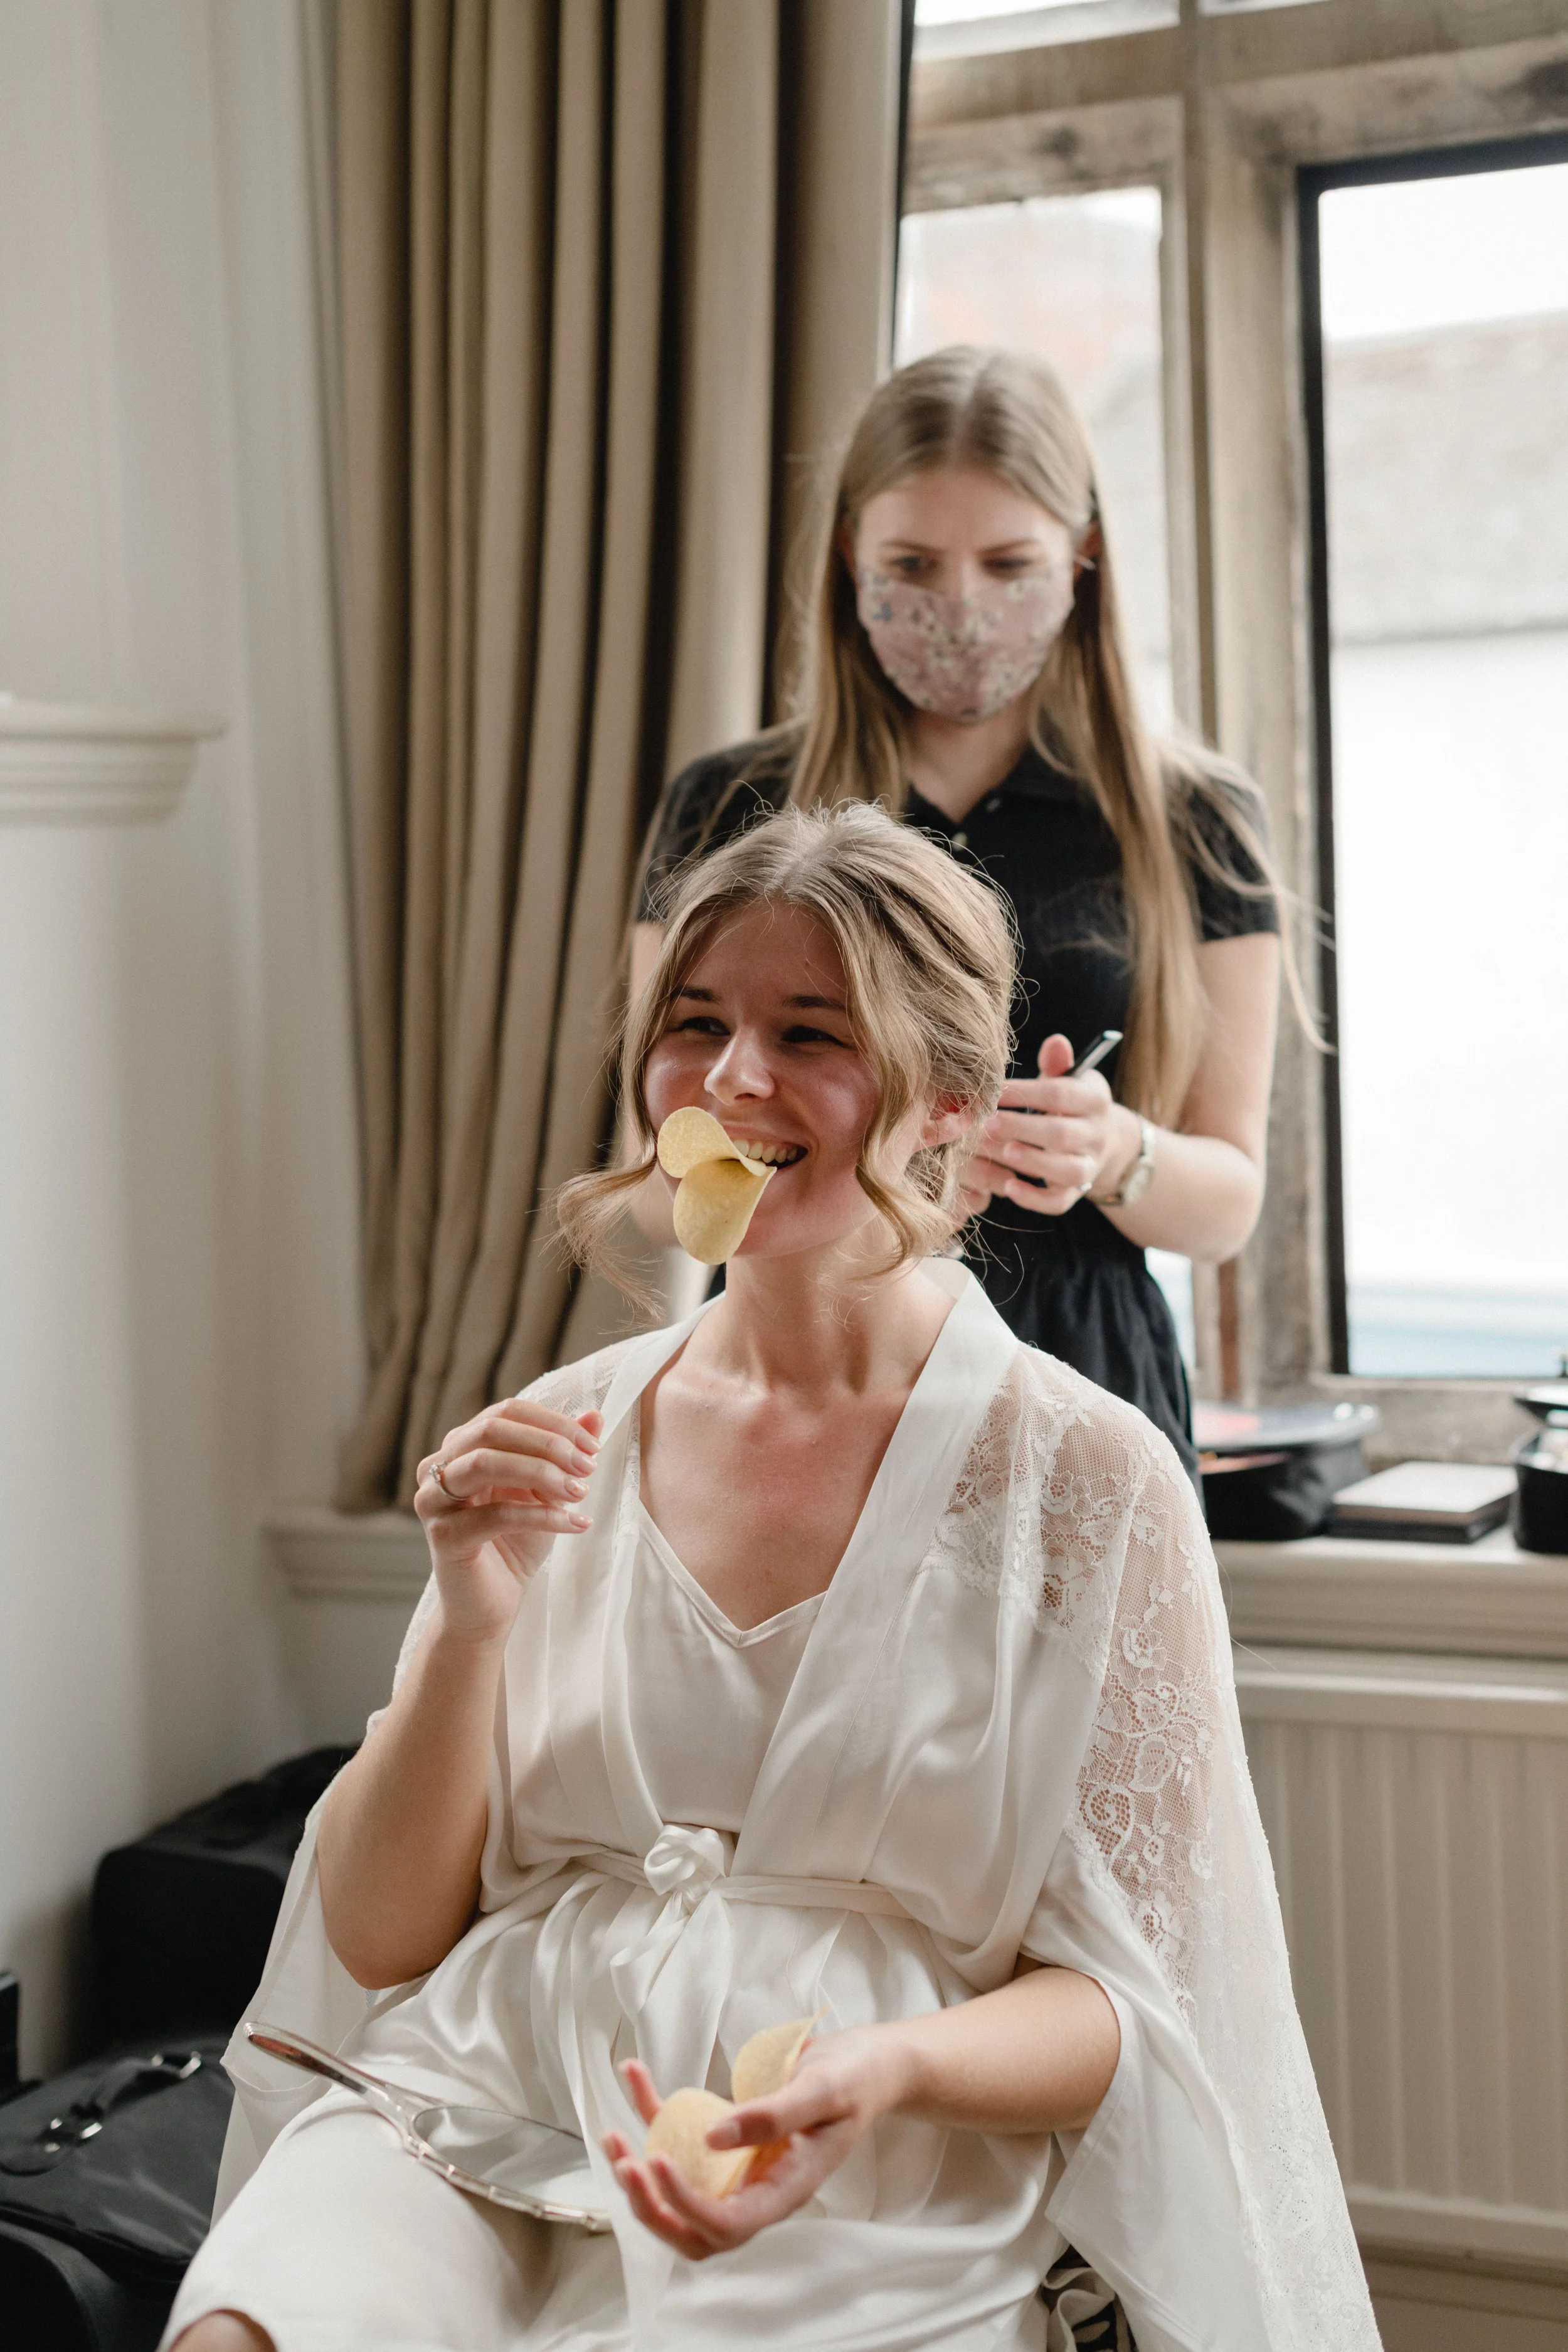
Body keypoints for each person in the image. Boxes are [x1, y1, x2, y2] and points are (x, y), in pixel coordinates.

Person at [165, 809, 1373, 2352]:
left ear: (943, 1098)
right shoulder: (563, 1434)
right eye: (694, 1025)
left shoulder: (1086, 1484)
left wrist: (885, 2069)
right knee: (249, 2333)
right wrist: (471, 1626)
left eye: (809, 1033)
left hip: (870, 2165)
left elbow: (1138, 2013)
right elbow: (388, 1938)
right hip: (478, 2097)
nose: (731, 1082)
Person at [632, 346, 1288, 1480]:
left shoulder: (1194, 817)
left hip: (1086, 1378)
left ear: (1082, 557)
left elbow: (1225, 1209)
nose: (961, 605)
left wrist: (1112, 1151)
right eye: (915, 565)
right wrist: (875, 1184)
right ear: (850, 558)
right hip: (809, 1370)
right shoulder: (729, 806)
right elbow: (655, 1183)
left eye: (1007, 564)